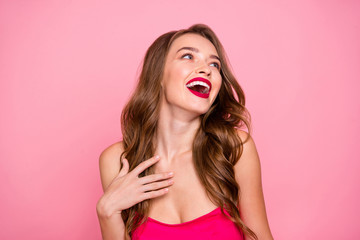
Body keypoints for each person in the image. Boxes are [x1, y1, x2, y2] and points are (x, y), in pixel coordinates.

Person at [96, 24, 274, 240]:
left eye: (214, 64)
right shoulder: (117, 160)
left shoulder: (234, 147)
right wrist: (107, 213)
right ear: (158, 75)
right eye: (188, 56)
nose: (206, 69)